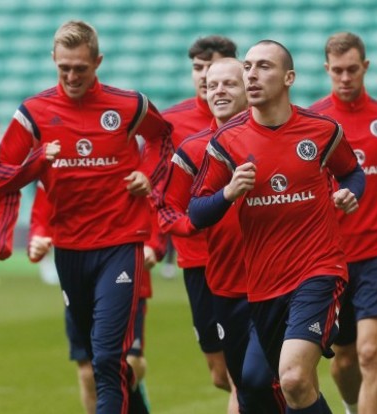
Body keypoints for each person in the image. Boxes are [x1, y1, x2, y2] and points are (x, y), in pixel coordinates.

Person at [0, 20, 171, 413]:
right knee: (95, 360)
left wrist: (148, 175)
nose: (72, 76)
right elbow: (1, 175)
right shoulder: (34, 113)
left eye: (81, 68)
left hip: (121, 244)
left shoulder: (129, 105)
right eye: (64, 68)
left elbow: (163, 137)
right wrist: (38, 160)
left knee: (107, 357)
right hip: (69, 250)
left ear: (98, 62)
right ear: (54, 59)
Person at [188, 40, 365, 413]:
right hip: (264, 285)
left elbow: (351, 173)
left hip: (319, 271)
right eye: (248, 67)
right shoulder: (227, 142)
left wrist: (350, 194)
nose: (251, 75)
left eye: (263, 67)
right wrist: (229, 192)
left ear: (289, 78)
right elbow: (197, 212)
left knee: (295, 377)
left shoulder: (321, 131)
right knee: (275, 388)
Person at [159, 57, 283, 413]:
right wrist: (190, 227)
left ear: (249, 87)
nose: (219, 92)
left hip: (280, 282)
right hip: (225, 283)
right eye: (212, 86)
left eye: (228, 84)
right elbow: (169, 209)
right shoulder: (194, 149)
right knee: (242, 383)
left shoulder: (280, 136)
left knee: (285, 378)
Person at [309, 32, 377, 414]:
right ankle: (353, 407)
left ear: (366, 67)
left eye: (352, 69)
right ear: (327, 69)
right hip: (331, 256)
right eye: (337, 70)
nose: (345, 77)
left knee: (371, 352)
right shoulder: (313, 122)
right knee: (343, 359)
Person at [28, 183, 163, 413]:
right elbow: (43, 207)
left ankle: (131, 390)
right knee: (89, 373)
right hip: (78, 277)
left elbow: (154, 201)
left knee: (128, 363)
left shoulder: (127, 159)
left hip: (123, 273)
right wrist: (38, 236)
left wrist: (153, 246)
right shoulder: (61, 159)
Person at [160, 35, 238, 404]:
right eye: (198, 69)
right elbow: (162, 194)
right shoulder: (171, 123)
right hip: (197, 259)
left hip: (245, 256)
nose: (206, 78)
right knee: (220, 374)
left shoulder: (256, 118)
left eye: (214, 69)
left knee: (249, 372)